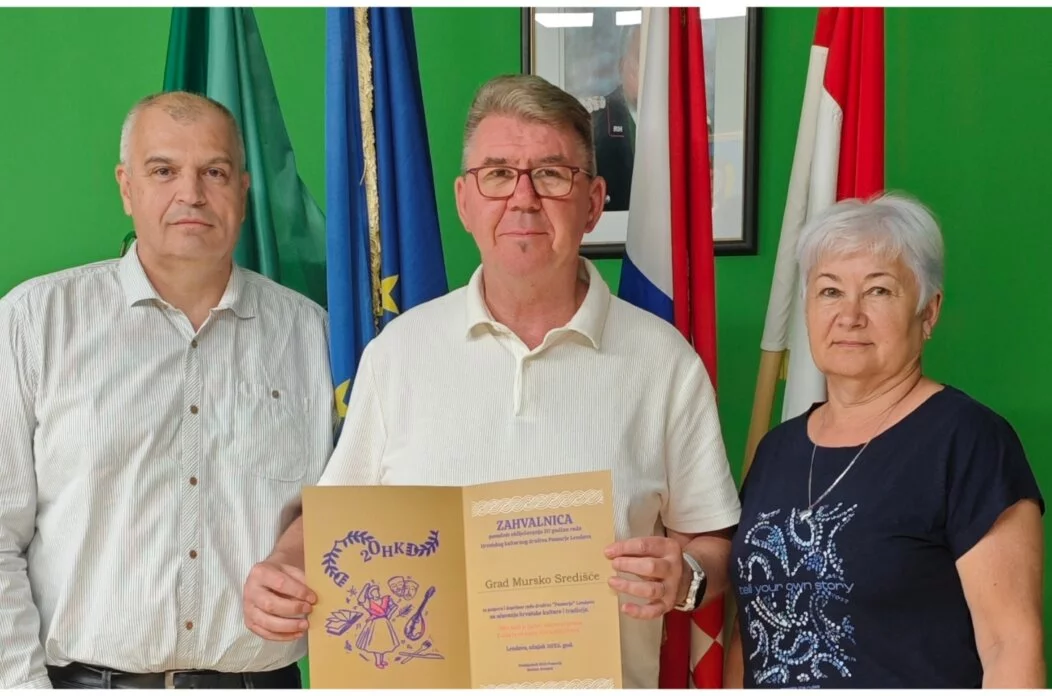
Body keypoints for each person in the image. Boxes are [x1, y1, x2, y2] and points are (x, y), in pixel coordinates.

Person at [242, 74, 741, 689]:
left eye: (552, 174)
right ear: (464, 201)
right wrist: (282, 566)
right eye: (499, 174)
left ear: (593, 203)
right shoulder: (399, 352)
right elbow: (335, 522)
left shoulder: (665, 362)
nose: (523, 199)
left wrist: (687, 576)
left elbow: (712, 540)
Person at [0, 91, 334, 689]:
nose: (192, 193)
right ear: (126, 187)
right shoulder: (34, 323)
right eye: (163, 171)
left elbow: (351, 505)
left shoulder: (315, 336)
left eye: (215, 172)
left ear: (243, 190)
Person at [726, 193, 1045, 688]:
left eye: (878, 291)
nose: (849, 315)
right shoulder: (777, 450)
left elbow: (1011, 646)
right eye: (830, 291)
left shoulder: (969, 441)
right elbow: (749, 635)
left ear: (929, 312)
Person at [589, 24, 640, 212]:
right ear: (622, 66)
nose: (653, 71)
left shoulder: (686, 123)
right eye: (642, 58)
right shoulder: (596, 119)